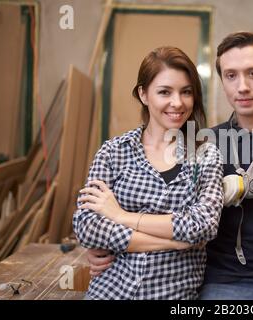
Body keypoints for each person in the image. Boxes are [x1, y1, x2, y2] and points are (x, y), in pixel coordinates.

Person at [87, 32, 253, 300]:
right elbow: (160, 211)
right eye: (231, 75)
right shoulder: (198, 147)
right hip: (223, 282)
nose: (242, 86)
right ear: (222, 82)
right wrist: (104, 246)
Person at [73, 46, 224, 300]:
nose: (177, 103)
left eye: (186, 92)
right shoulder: (114, 152)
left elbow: (202, 227)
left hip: (173, 295)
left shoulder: (206, 155)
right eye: (165, 92)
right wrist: (175, 241)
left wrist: (120, 215)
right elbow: (87, 226)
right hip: (110, 292)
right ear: (143, 94)